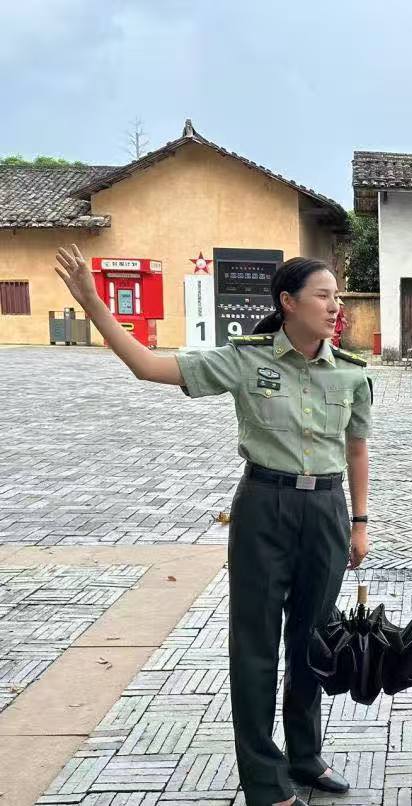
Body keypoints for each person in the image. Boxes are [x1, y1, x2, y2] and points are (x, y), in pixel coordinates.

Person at [53, 246, 372, 806]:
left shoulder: (349, 373)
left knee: (312, 640)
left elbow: (357, 448)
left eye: (337, 296)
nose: (334, 305)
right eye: (323, 295)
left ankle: (305, 757)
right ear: (288, 302)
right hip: (264, 507)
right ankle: (263, 778)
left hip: (327, 509)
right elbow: (149, 366)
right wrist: (93, 302)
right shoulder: (245, 360)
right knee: (255, 644)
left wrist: (361, 523)